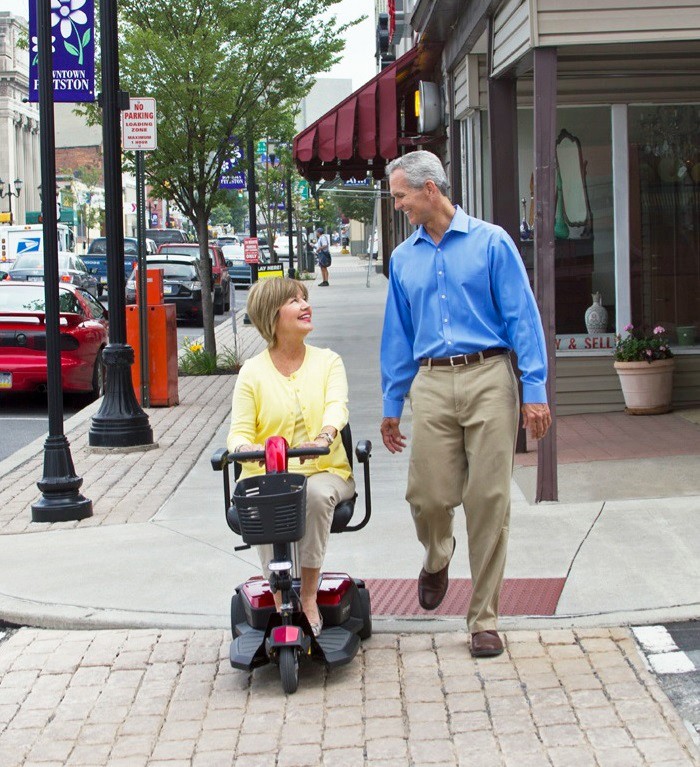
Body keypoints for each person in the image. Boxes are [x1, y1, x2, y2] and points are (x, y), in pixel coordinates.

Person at [380, 150, 551, 658]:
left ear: (429, 190)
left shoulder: (492, 243)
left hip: (489, 376)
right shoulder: (402, 258)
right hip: (431, 382)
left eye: (401, 195)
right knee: (428, 497)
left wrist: (535, 391)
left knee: (489, 499)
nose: (398, 206)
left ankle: (483, 618)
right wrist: (393, 401)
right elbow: (397, 335)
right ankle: (437, 556)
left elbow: (524, 318)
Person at [227, 277, 355, 636]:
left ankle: (310, 597)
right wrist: (243, 448)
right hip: (268, 473)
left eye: (305, 299)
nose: (305, 305)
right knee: (266, 498)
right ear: (272, 315)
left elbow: (336, 407)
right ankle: (279, 593)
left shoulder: (329, 362)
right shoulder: (252, 373)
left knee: (314, 494)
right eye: (294, 301)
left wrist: (326, 434)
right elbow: (238, 431)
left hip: (323, 468)